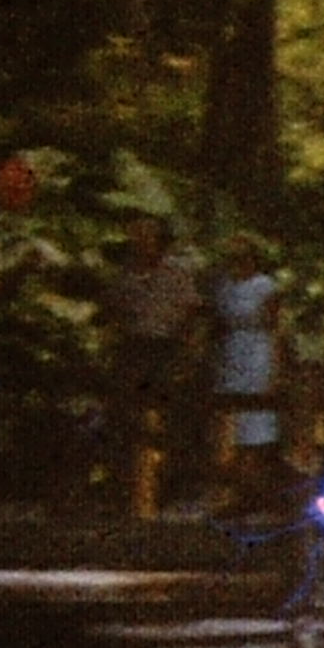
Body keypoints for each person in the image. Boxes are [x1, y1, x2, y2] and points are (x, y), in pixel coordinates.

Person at [99, 213, 203, 517]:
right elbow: (112, 309)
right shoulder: (125, 273)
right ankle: (126, 487)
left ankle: (170, 486)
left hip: (166, 348)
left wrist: (186, 350)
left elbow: (192, 312)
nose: (141, 242)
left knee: (168, 417)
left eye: (148, 236)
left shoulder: (176, 274)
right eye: (136, 236)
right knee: (126, 417)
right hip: (133, 347)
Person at [207, 233, 286, 517]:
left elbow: (276, 328)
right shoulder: (224, 286)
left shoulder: (265, 286)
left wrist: (275, 369)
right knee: (227, 420)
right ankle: (228, 489)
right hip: (231, 351)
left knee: (254, 422)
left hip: (256, 352)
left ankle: (251, 489)